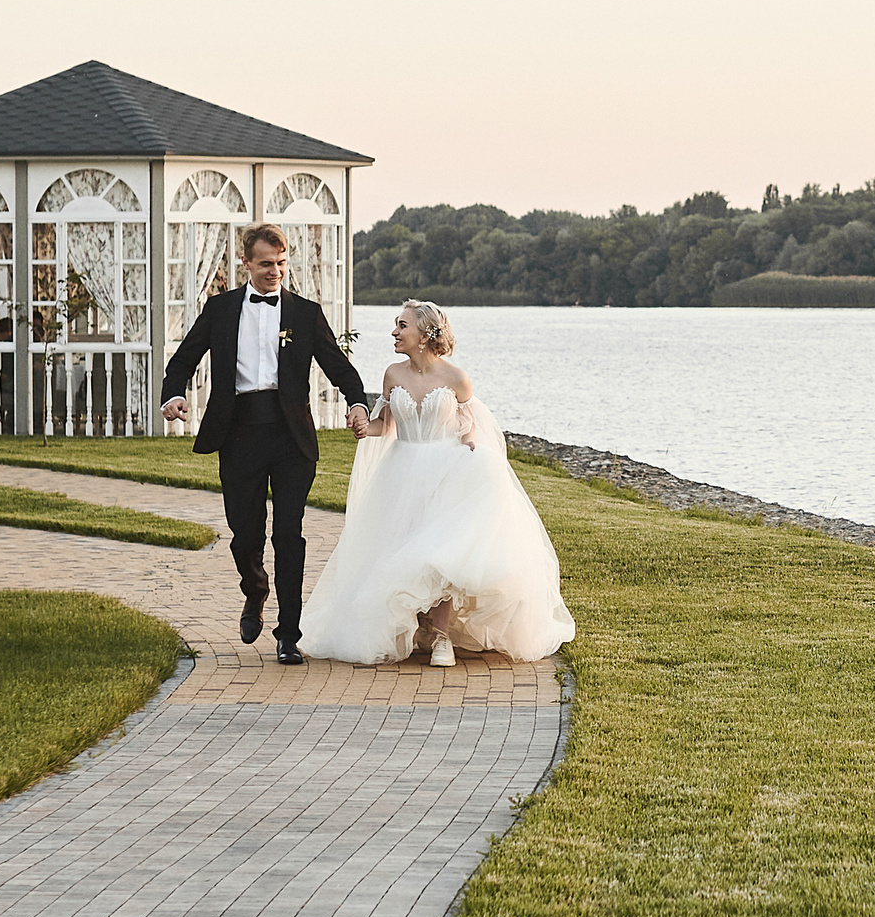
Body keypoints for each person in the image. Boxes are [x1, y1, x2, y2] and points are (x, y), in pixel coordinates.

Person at [298, 300, 574, 667]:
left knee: (440, 552)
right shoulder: (393, 375)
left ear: (425, 335)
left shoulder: (456, 378)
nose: (395, 332)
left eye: (402, 325)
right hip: (401, 470)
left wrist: (471, 442)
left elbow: (470, 423)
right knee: (399, 550)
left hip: (446, 468)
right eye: (396, 325)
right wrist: (366, 428)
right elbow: (388, 425)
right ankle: (415, 627)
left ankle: (442, 636)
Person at [161, 224, 374, 665]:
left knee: (288, 535)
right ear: (246, 263)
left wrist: (357, 403)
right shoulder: (220, 309)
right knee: (245, 534)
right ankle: (255, 588)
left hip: (291, 435)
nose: (275, 271)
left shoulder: (306, 313)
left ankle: (288, 634)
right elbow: (184, 358)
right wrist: (175, 393)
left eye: (280, 263)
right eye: (265, 264)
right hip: (239, 432)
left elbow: (337, 364)